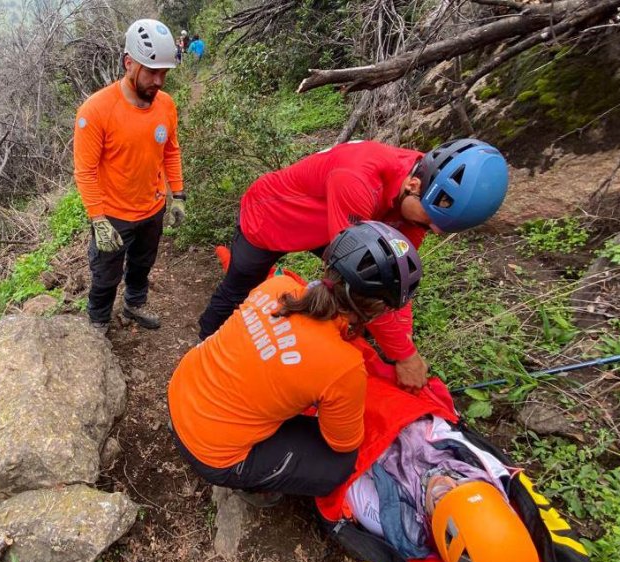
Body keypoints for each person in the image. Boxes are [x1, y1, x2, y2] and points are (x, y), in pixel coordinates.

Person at [196, 138, 509, 389]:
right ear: (413, 184)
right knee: (238, 287)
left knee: (363, 308)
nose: (426, 231)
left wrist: (404, 339)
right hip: (272, 216)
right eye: (427, 222)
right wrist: (404, 355)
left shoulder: (424, 194)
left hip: (333, 223)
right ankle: (202, 348)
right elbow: (363, 274)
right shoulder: (359, 178)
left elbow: (395, 273)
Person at [168, 222, 423, 506]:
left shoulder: (280, 287)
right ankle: (252, 483)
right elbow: (343, 442)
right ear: (378, 311)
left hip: (181, 391)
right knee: (339, 464)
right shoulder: (344, 366)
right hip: (212, 453)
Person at [74, 19, 187, 334]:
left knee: (142, 264)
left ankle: (134, 303)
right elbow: (85, 171)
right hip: (113, 216)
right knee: (106, 275)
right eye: (152, 72)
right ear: (128, 63)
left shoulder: (165, 105)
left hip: (152, 208)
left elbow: (171, 152)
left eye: (164, 73)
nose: (159, 81)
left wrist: (177, 195)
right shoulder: (95, 111)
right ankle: (97, 322)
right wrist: (98, 219)